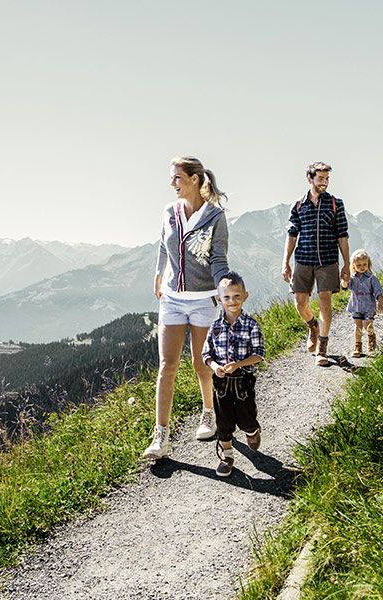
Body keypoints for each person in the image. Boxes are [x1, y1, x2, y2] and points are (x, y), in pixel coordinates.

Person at [143, 156, 230, 460]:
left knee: (200, 363)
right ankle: (161, 437)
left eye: (177, 177)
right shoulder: (169, 212)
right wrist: (158, 275)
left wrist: (223, 285)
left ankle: (209, 412)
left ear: (194, 179)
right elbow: (162, 246)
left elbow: (218, 258)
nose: (172, 184)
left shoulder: (215, 217)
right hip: (172, 300)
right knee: (167, 366)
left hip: (204, 299)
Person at [281, 162, 350, 367]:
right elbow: (291, 235)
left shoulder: (335, 204)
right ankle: (313, 326)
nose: (325, 183)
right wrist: (285, 263)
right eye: (320, 178)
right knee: (300, 302)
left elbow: (342, 235)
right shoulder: (299, 206)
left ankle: (322, 349)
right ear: (309, 179)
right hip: (303, 259)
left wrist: (346, 264)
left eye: (327, 179)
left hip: (328, 261)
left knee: (325, 302)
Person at [202, 272, 264, 477]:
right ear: (219, 299)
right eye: (226, 297)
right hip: (220, 381)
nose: (232, 301)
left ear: (245, 296)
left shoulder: (251, 325)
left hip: (243, 381)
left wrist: (238, 364)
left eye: (237, 296)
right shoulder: (215, 327)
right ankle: (226, 455)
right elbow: (206, 354)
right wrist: (214, 367)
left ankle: (252, 430)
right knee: (223, 420)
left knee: (246, 417)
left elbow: (259, 355)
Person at [345, 249, 383, 357]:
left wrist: (380, 303)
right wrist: (344, 280)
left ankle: (371, 336)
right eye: (358, 265)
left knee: (368, 324)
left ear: (368, 264)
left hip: (369, 307)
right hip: (356, 306)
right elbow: (345, 286)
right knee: (358, 326)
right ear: (353, 266)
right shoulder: (352, 279)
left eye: (364, 264)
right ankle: (358, 348)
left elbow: (378, 291)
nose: (362, 267)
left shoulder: (372, 278)